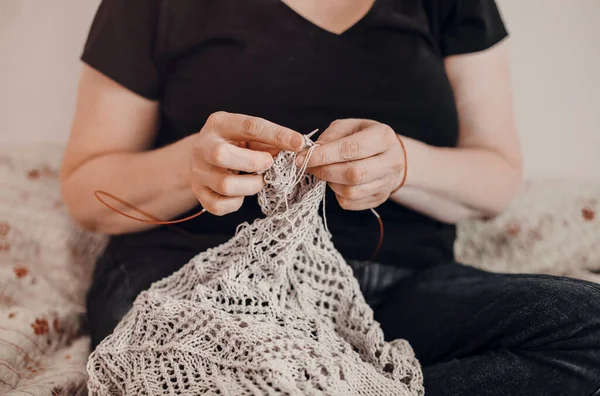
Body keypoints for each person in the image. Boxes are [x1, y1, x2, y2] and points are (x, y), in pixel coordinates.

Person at [60, 0, 600, 394]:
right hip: (197, 279)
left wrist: (405, 164)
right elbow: (86, 192)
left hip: (400, 290)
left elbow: (497, 178)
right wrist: (188, 168)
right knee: (177, 356)